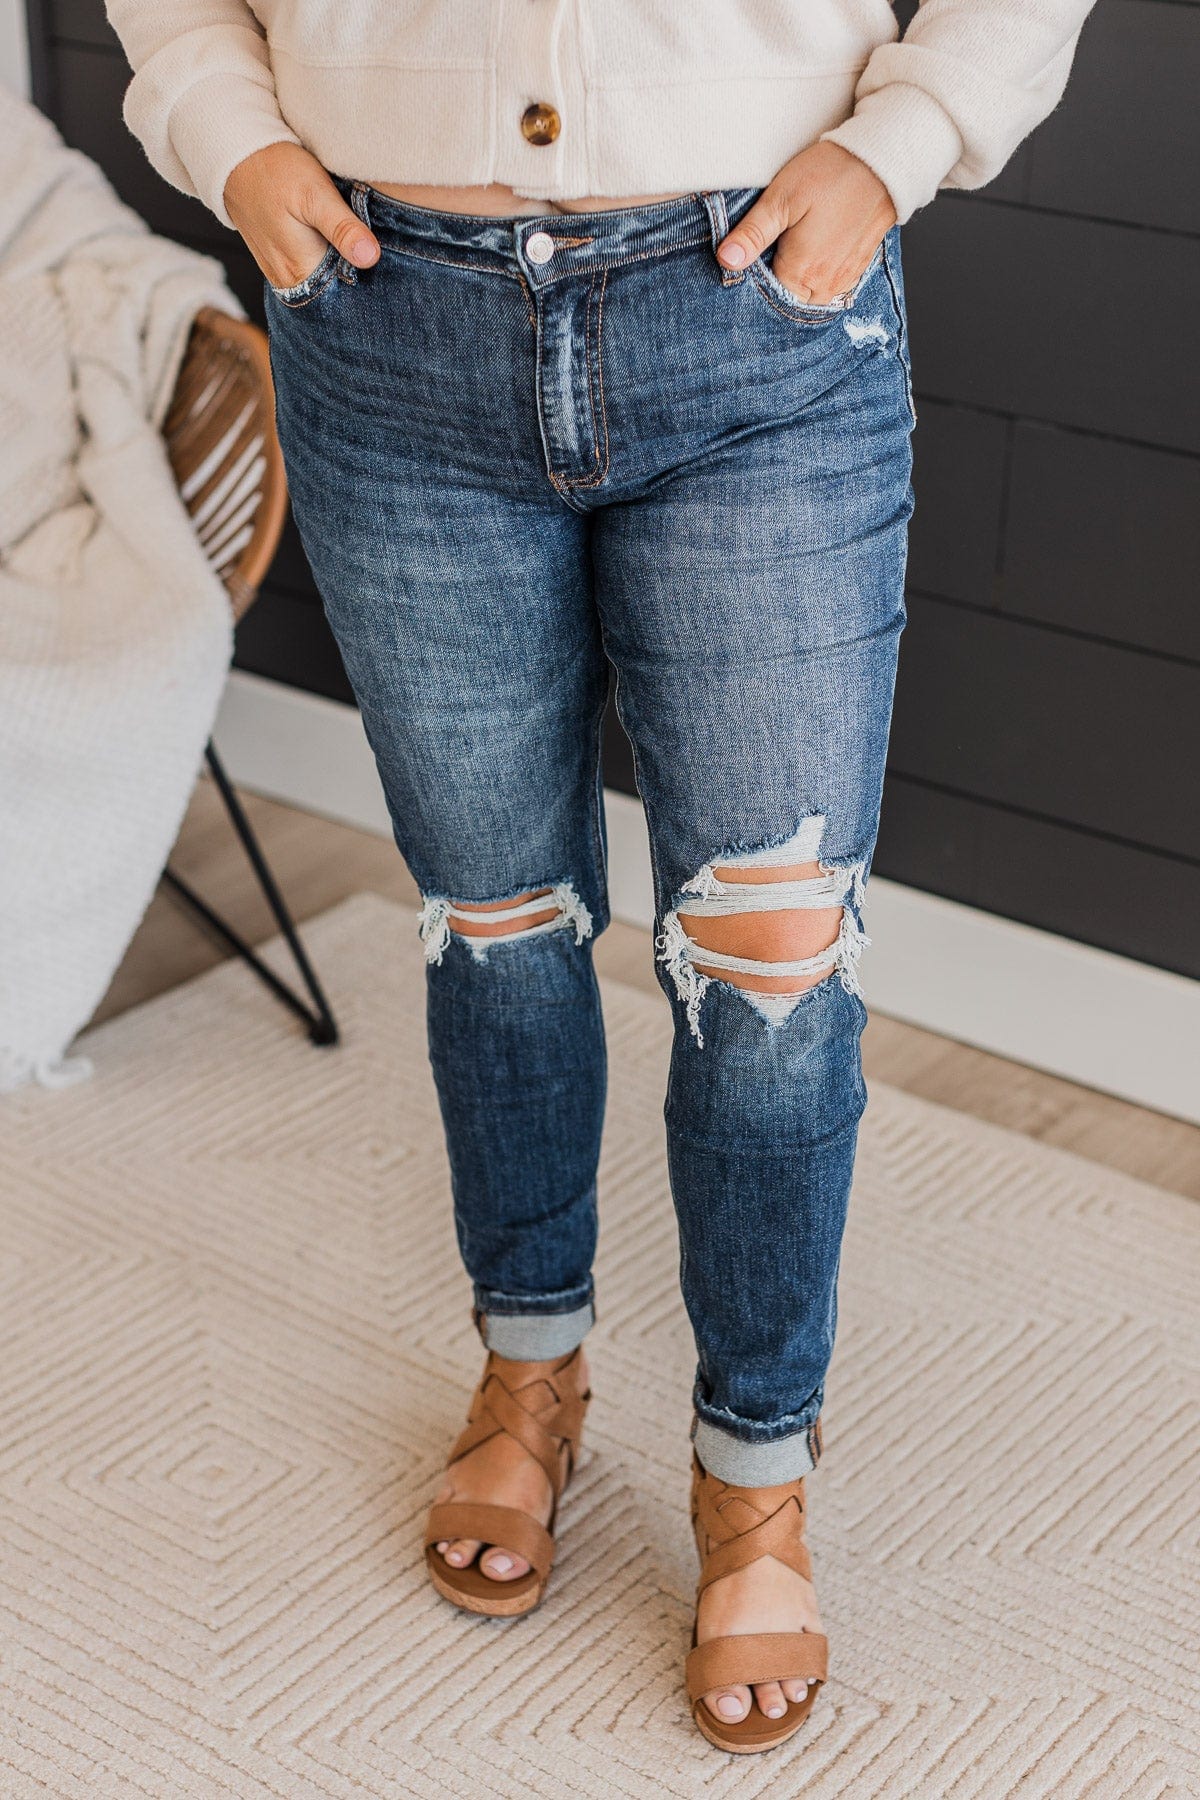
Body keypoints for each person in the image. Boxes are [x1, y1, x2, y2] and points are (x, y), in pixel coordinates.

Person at [107, 0, 1096, 1755]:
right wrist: (223, 128)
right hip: (381, 316)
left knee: (776, 977)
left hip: (756, 312)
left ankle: (755, 1471)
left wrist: (905, 140)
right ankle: (532, 1362)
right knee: (495, 926)